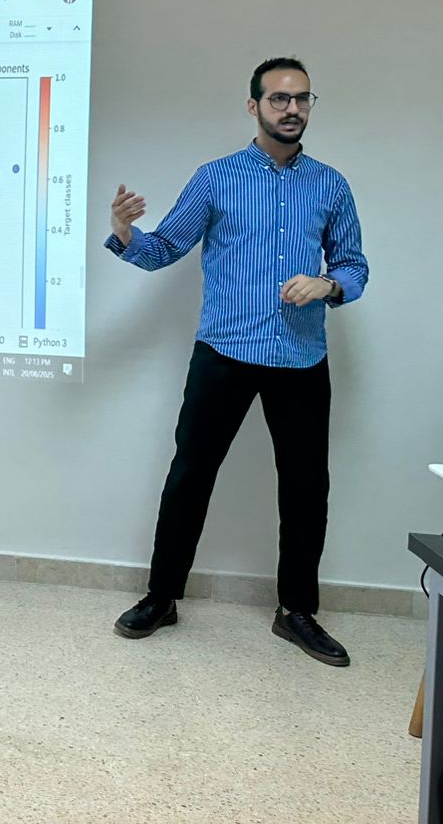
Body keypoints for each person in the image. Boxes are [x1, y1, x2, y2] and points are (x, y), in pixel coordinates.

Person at [107, 57, 368, 666]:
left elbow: (353, 265)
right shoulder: (216, 177)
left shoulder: (331, 185)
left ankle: (296, 611)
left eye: (301, 98)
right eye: (279, 98)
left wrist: (327, 284)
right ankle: (162, 597)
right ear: (254, 106)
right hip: (223, 353)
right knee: (190, 475)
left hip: (301, 358)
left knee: (307, 487)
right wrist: (124, 232)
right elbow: (163, 248)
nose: (292, 109)